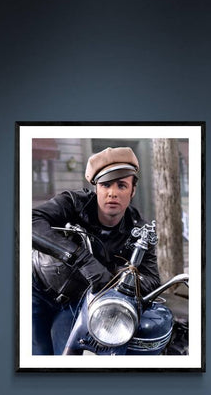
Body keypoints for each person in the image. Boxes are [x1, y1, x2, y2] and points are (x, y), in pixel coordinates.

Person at [31, 147, 161, 355]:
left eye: (121, 185)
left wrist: (121, 276)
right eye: (105, 185)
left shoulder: (139, 230)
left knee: (65, 358)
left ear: (133, 190)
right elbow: (28, 223)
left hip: (78, 301)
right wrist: (83, 259)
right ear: (96, 188)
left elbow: (153, 279)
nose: (112, 193)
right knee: (35, 355)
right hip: (37, 290)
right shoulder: (73, 203)